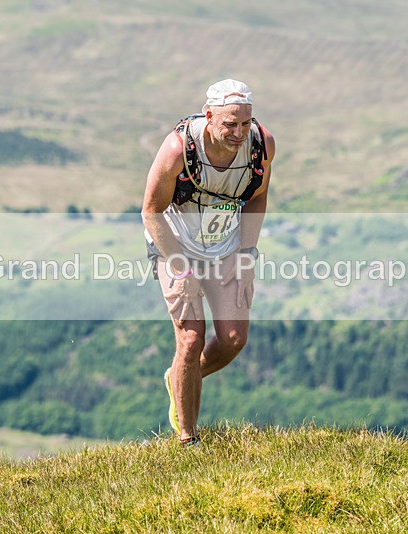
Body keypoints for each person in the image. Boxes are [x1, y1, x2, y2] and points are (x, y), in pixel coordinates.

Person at [141, 79, 275, 445]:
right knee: (190, 338)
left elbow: (257, 197)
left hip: (225, 245)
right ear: (209, 115)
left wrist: (247, 254)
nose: (238, 132)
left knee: (233, 339)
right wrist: (182, 271)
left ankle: (180, 378)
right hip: (175, 245)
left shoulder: (261, 146)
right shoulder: (177, 149)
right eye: (230, 124)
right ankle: (188, 440)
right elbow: (151, 212)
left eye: (245, 123)